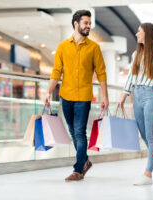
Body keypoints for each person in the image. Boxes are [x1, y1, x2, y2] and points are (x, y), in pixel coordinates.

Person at [45, 10, 109, 182]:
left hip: (83, 97)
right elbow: (56, 72)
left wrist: (105, 97)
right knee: (73, 132)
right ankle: (85, 161)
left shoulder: (94, 48)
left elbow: (102, 73)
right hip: (65, 96)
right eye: (86, 23)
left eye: (89, 23)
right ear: (76, 24)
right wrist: (48, 92)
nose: (88, 26)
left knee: (80, 132)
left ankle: (78, 170)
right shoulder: (63, 46)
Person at [118, 23, 153, 186]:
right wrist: (123, 95)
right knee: (144, 135)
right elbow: (131, 77)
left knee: (151, 136)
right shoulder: (136, 53)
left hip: (152, 96)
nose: (136, 34)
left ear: (147, 34)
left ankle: (148, 174)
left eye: (139, 32)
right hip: (137, 95)